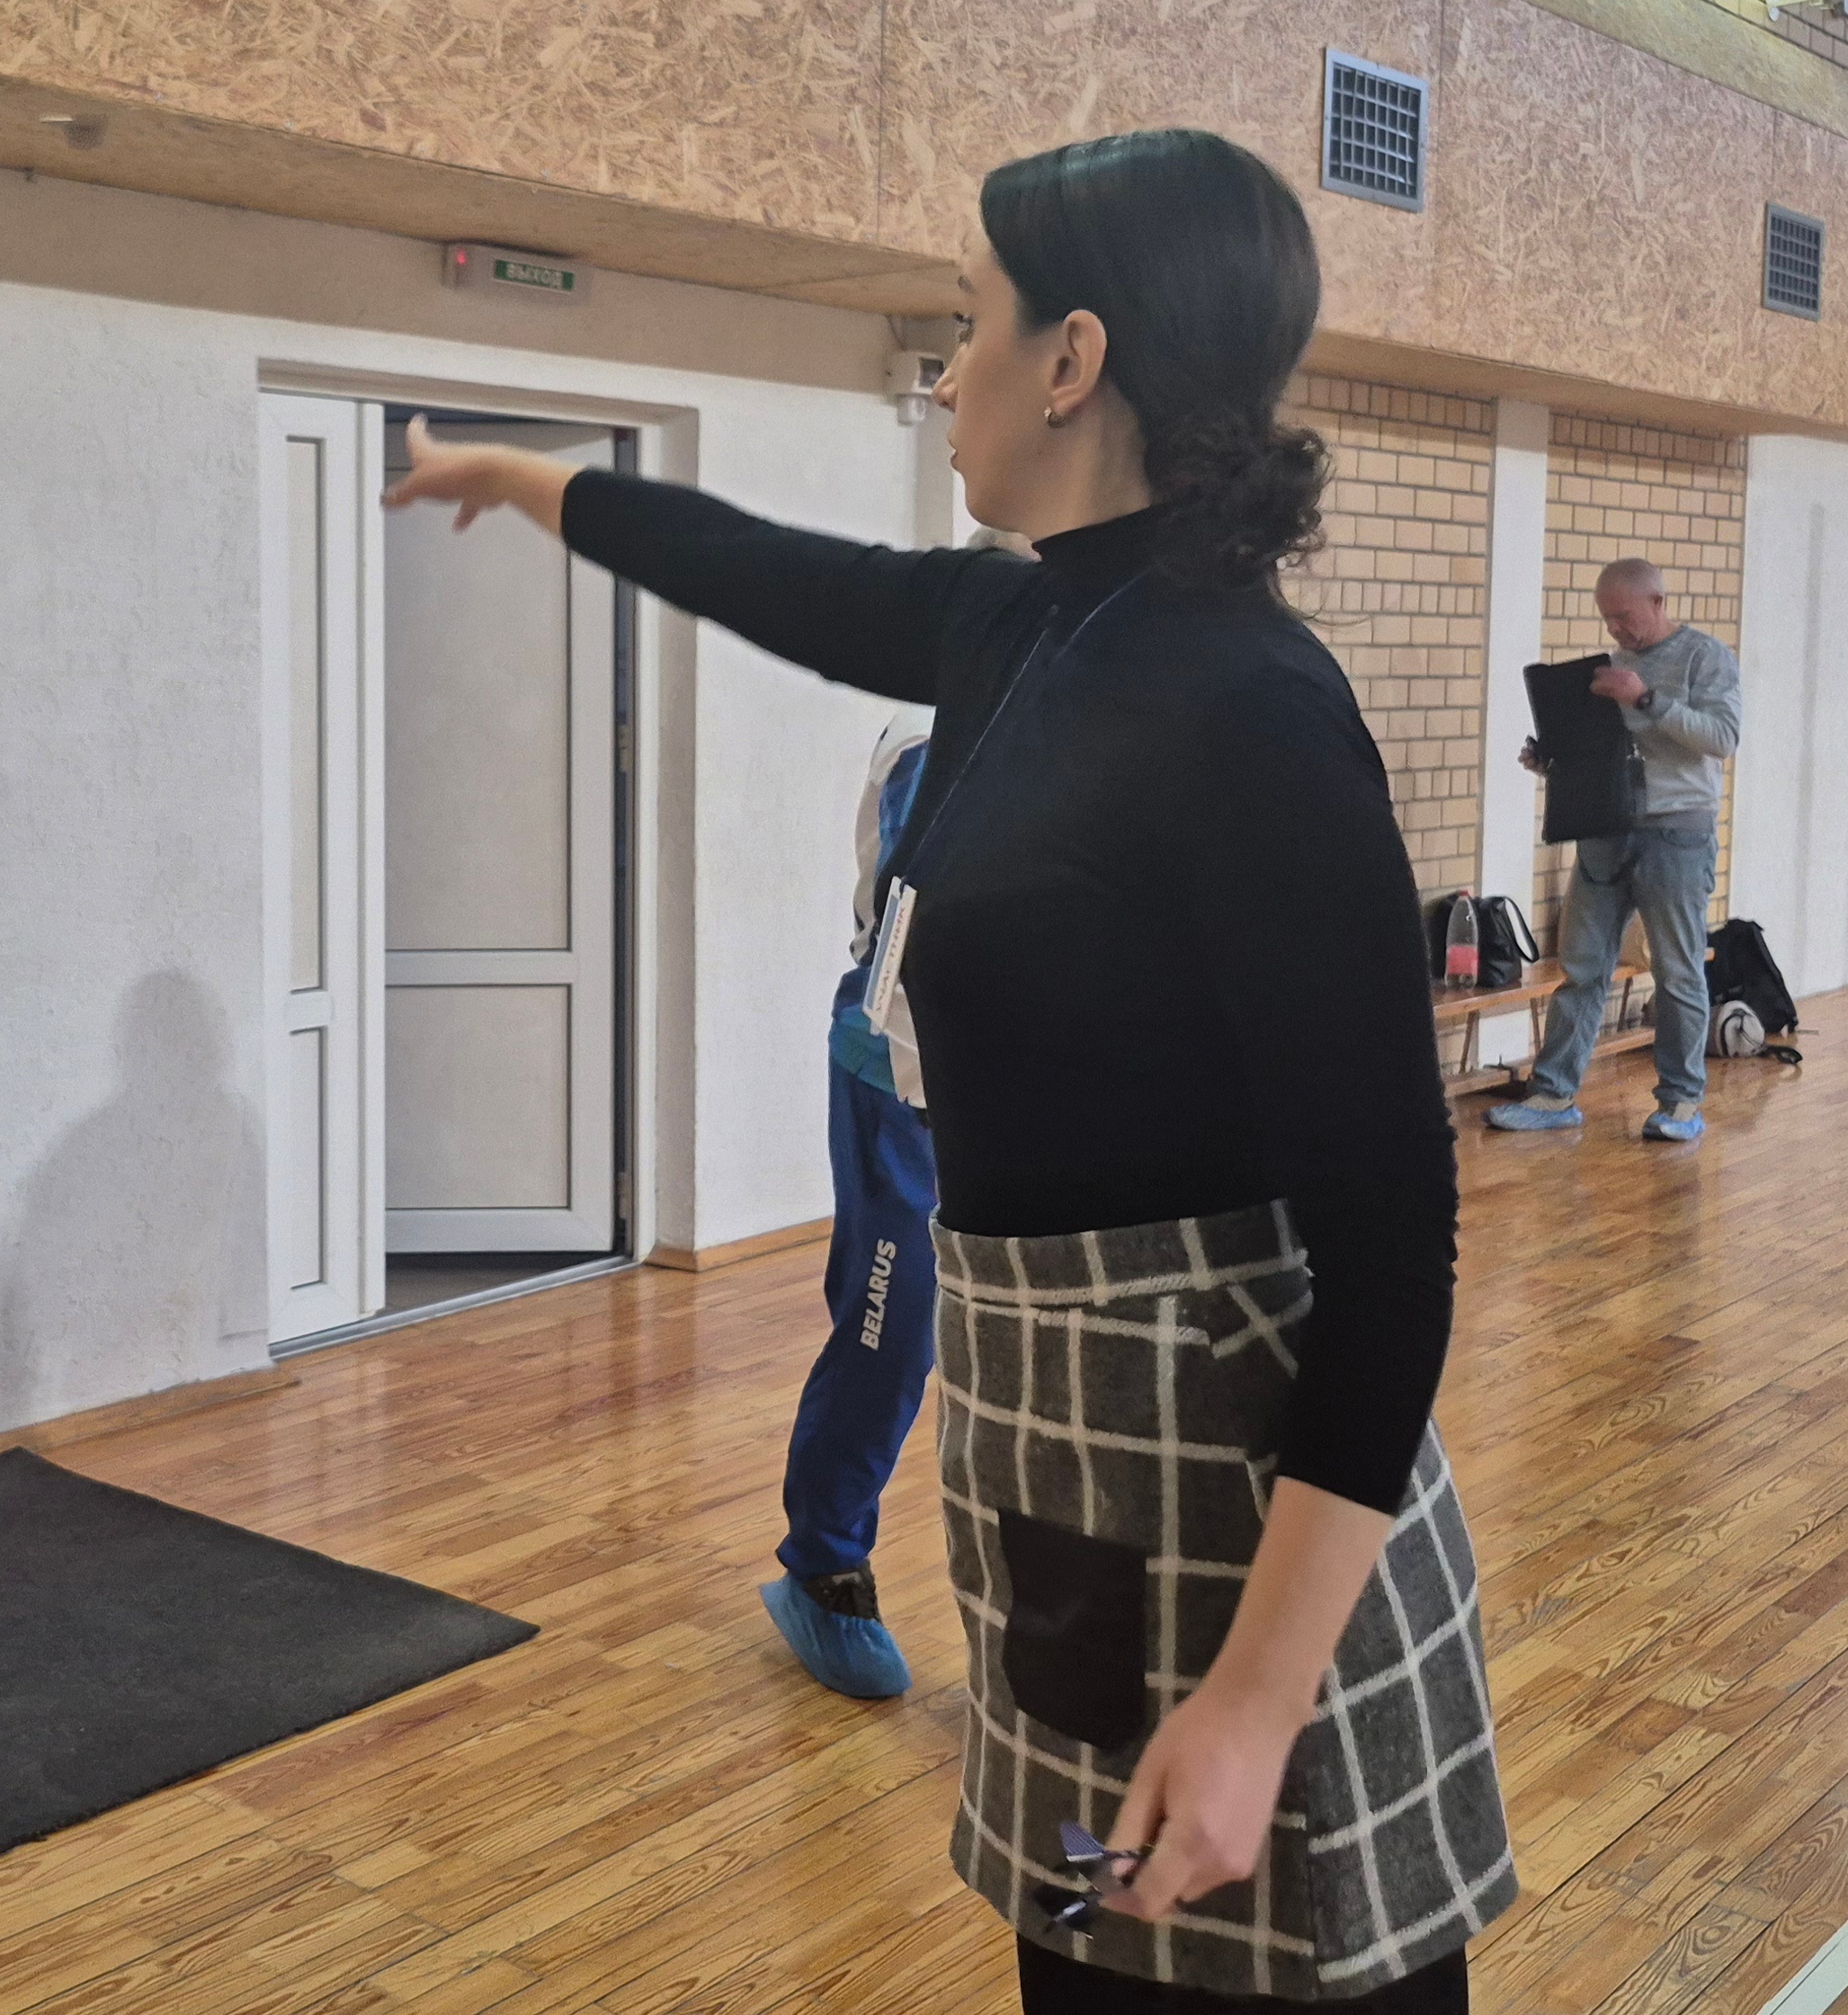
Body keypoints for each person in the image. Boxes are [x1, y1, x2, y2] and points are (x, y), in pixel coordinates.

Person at [386, 128, 1512, 2012]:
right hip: (1060, 1478)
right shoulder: (1024, 622)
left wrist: (1256, 1702)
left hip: (1251, 1532)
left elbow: (1395, 1247)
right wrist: (524, 478)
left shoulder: (1252, 707)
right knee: (1081, 1968)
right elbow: (773, 573)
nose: (942, 373)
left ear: (1073, 359)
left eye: (967, 324)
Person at [761, 705, 939, 1700]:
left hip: (1044, 1085)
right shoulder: (932, 737)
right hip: (902, 1077)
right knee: (893, 1325)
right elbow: (922, 924)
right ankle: (824, 1567)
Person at [1489, 558, 1743, 1142]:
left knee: (1676, 972)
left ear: (1657, 602)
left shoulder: (1704, 658)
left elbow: (1722, 738)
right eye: (1606, 618)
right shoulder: (1608, 668)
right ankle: (1552, 1095)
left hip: (1676, 835)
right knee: (1581, 969)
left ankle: (1680, 1104)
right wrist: (1553, 759)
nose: (1615, 630)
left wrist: (1646, 697)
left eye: (1624, 616)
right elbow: (1604, 752)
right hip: (1604, 830)